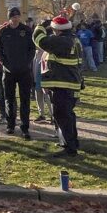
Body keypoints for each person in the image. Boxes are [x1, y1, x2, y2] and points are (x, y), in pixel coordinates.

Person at [33, 16, 83, 157]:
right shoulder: (73, 39)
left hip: (65, 85)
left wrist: (41, 26)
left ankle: (70, 148)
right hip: (69, 83)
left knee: (62, 115)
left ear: (57, 29)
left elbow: (39, 39)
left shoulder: (62, 41)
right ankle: (72, 142)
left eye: (53, 29)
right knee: (68, 115)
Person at [0, 7, 36, 139]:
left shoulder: (27, 30)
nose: (15, 18)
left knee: (25, 100)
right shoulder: (3, 31)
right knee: (9, 100)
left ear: (20, 17)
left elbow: (32, 49)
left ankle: (25, 127)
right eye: (12, 16)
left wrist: (27, 63)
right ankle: (10, 125)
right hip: (8, 71)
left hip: (24, 71)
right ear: (9, 17)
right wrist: (4, 64)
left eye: (17, 16)